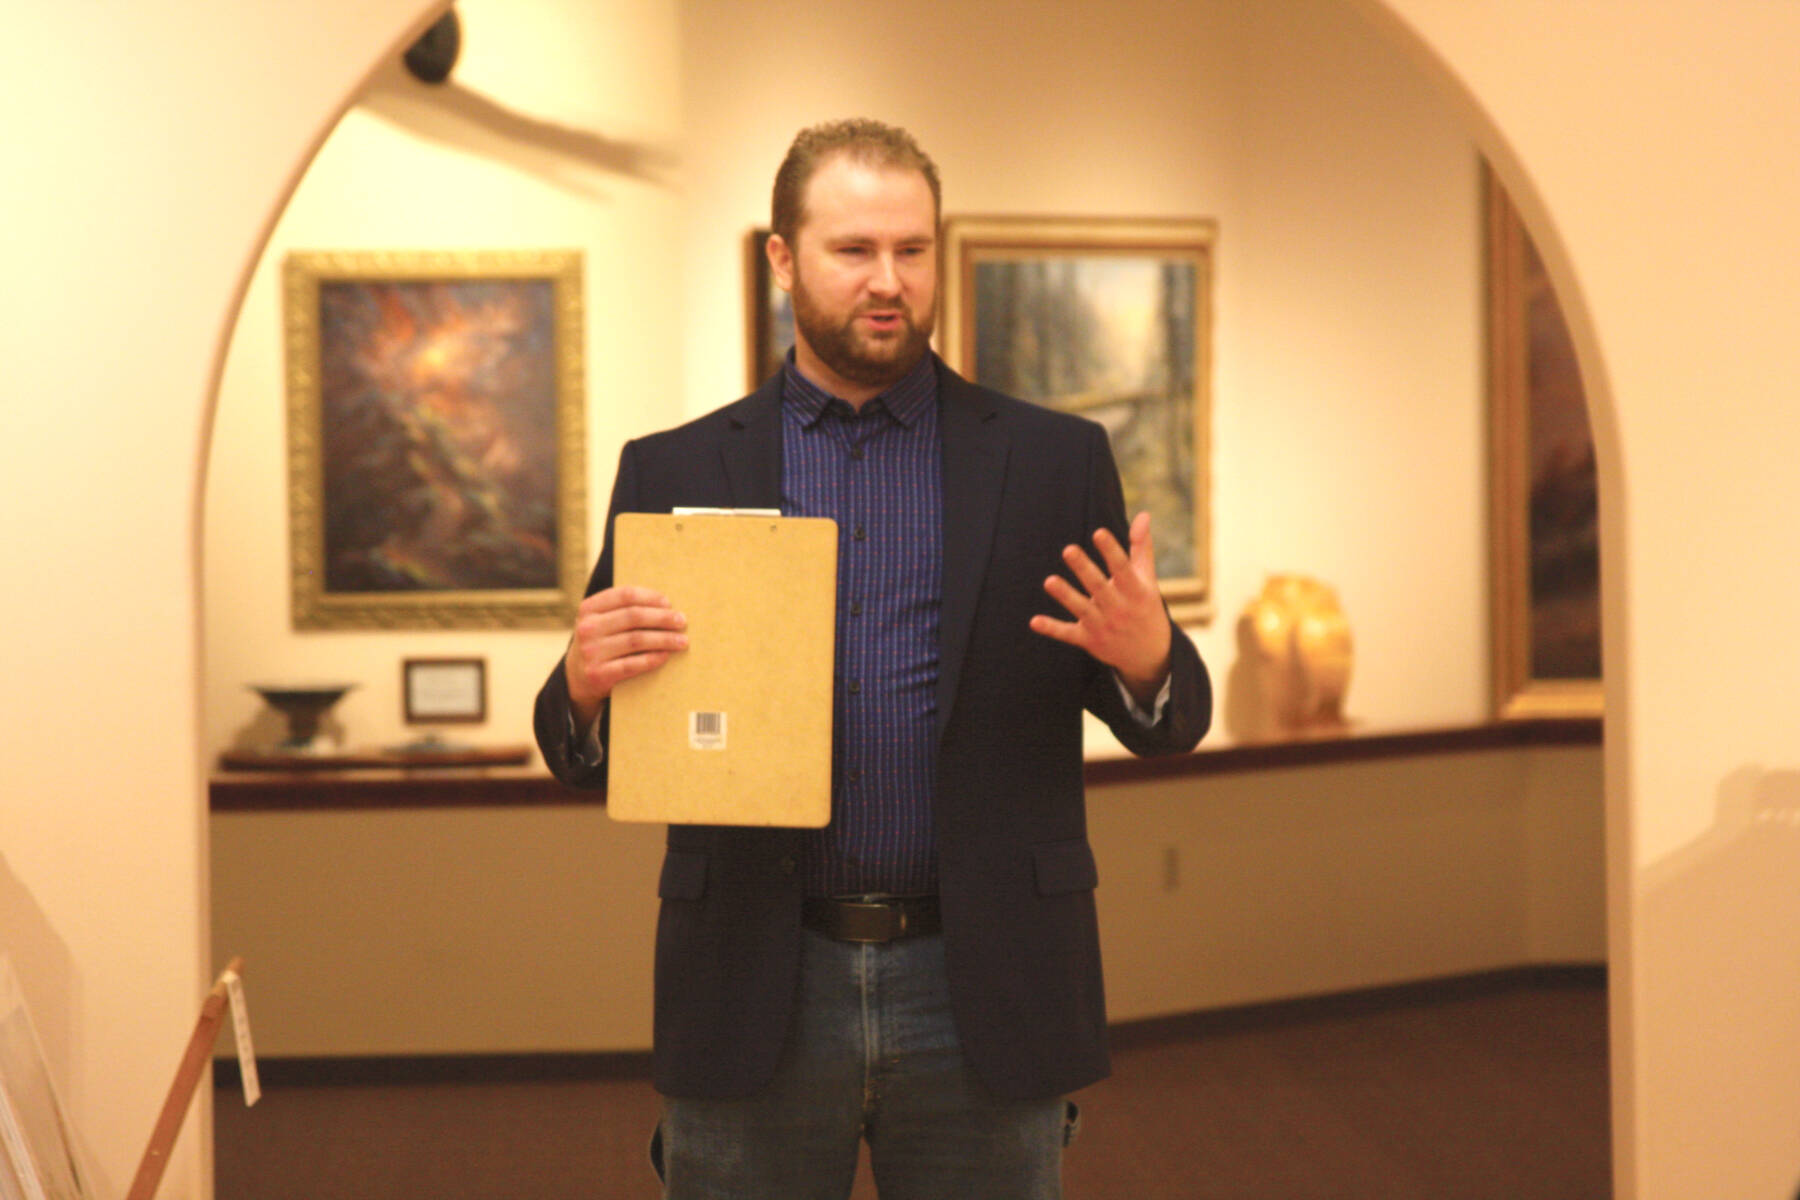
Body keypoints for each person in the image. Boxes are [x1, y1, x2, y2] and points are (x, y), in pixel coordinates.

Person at [534, 117, 1211, 1200]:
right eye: (854, 251)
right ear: (783, 258)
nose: (888, 280)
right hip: (758, 973)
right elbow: (584, 746)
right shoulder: (673, 466)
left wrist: (1147, 660)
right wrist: (580, 686)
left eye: (913, 248)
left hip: (982, 976)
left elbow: (1169, 716)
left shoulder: (1053, 462)